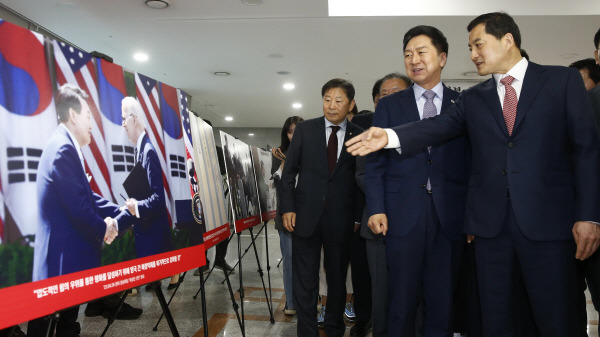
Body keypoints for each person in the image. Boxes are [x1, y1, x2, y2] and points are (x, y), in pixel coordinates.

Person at [346, 12, 600, 337]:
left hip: (549, 227)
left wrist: (590, 215)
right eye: (469, 48)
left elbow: (587, 151)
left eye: (478, 44)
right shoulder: (474, 98)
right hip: (491, 232)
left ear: (507, 39)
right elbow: (437, 127)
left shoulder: (560, 81)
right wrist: (391, 137)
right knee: (496, 319)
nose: (473, 54)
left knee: (556, 317)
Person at [366, 26, 469, 337]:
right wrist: (376, 208)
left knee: (443, 301)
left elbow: (474, 164)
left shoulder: (463, 104)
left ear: (442, 57)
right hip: (401, 215)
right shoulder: (389, 105)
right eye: (408, 54)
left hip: (449, 216)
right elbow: (374, 162)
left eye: (421, 52)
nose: (414, 59)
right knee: (401, 300)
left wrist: (473, 217)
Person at [28, 84, 128, 336]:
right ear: (73, 115)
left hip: (65, 257)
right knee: (49, 324)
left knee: (64, 323)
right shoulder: (63, 149)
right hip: (59, 260)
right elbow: (79, 208)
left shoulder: (65, 146)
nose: (92, 123)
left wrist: (119, 211)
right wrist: (106, 227)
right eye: (87, 115)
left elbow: (84, 196)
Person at [280, 78, 363, 337]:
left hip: (341, 220)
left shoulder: (358, 134)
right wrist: (287, 208)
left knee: (337, 279)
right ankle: (306, 332)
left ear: (350, 104)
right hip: (305, 218)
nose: (332, 105)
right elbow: (288, 173)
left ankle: (335, 328)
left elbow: (362, 180)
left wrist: (358, 218)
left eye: (339, 101)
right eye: (327, 99)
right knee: (306, 281)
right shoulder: (306, 130)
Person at [352, 72, 411, 337]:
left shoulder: (424, 129)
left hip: (417, 225)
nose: (389, 98)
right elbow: (363, 175)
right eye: (383, 95)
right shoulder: (368, 135)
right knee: (381, 294)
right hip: (378, 228)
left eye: (396, 92)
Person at [120, 96, 173, 258]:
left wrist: (136, 206)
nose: (122, 124)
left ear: (133, 119)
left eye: (123, 119)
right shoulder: (139, 150)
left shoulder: (148, 152)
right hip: (146, 232)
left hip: (153, 236)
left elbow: (158, 198)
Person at [271, 115, 304, 316]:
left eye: (297, 130)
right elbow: (277, 183)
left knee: (310, 261)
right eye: (290, 131)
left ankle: (310, 298)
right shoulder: (279, 154)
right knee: (289, 260)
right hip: (285, 215)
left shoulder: (312, 151)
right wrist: (285, 161)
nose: (293, 135)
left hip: (309, 214)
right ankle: (291, 302)